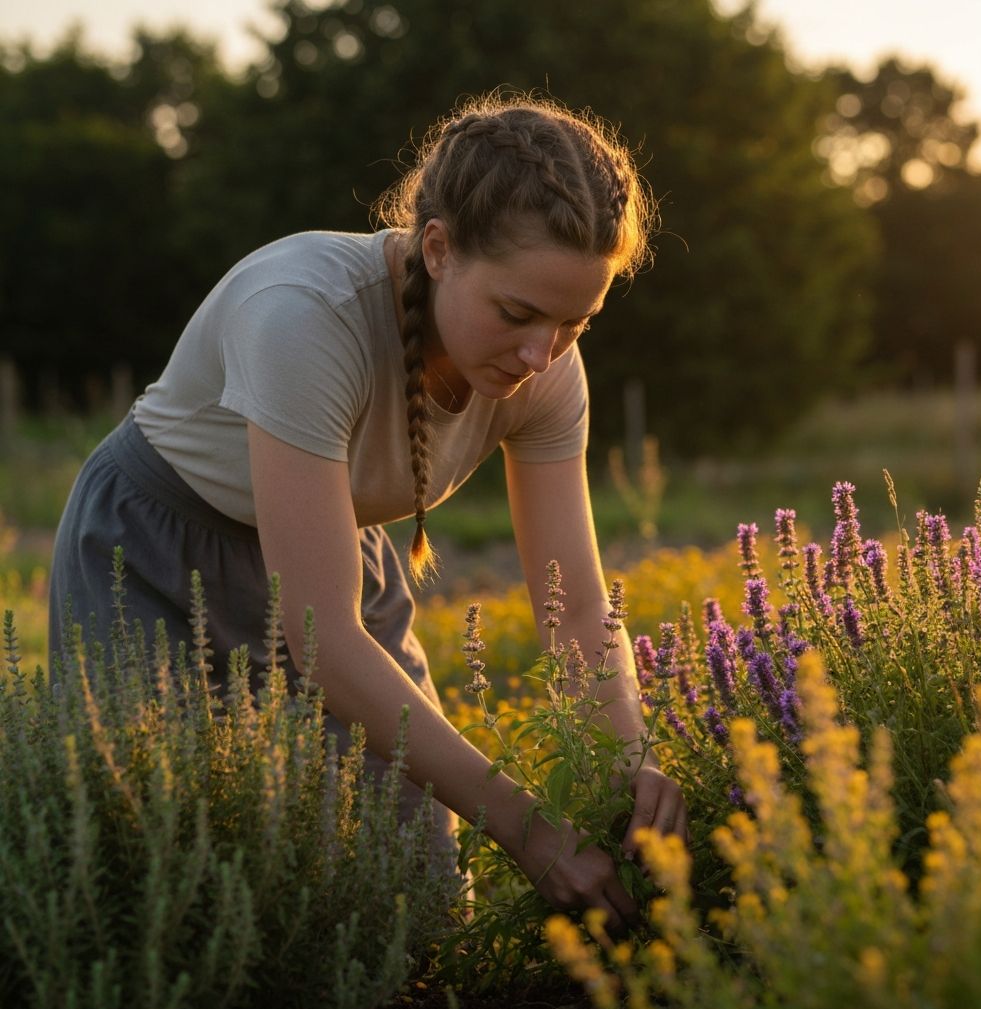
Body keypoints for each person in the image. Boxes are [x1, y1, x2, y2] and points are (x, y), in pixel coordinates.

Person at [49, 90, 687, 932]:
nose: (542, 355)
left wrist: (625, 757)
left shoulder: (547, 371)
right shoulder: (301, 315)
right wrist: (527, 830)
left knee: (415, 902)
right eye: (518, 313)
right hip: (157, 557)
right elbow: (324, 639)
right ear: (438, 248)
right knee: (160, 890)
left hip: (338, 553)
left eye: (577, 322)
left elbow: (573, 607)